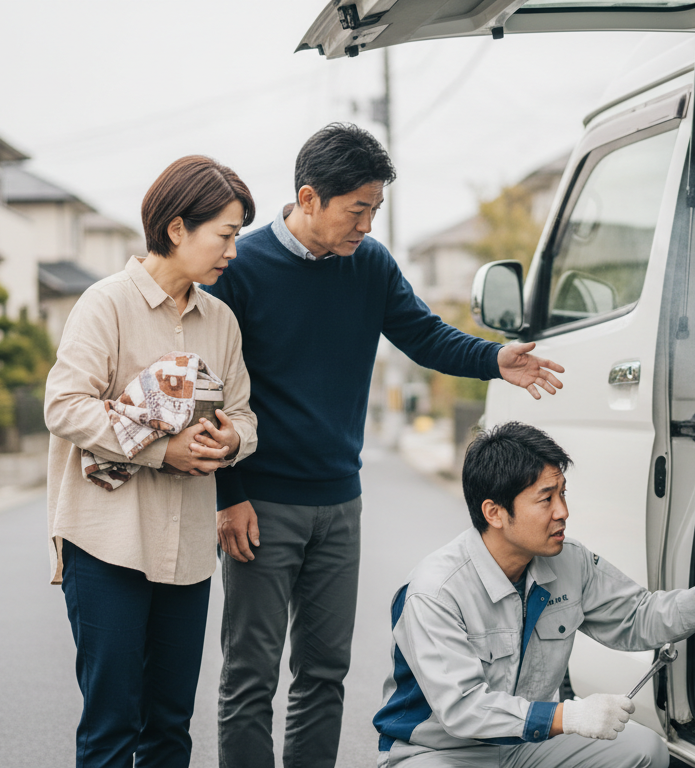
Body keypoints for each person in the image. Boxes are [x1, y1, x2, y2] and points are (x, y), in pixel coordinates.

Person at [203, 123, 567, 768]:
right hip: (260, 502)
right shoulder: (241, 269)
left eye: (375, 210)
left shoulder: (368, 264)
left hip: (340, 499)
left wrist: (494, 359)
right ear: (309, 198)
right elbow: (208, 392)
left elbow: (424, 334)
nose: (367, 226)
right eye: (357, 210)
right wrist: (228, 496)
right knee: (250, 676)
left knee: (324, 671)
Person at [373, 422, 695, 768]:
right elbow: (463, 708)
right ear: (494, 512)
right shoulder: (435, 591)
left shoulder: (568, 562)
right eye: (545, 499)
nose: (563, 511)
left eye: (563, 493)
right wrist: (567, 717)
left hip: (525, 744)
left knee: (645, 750)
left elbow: (636, 616)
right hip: (438, 753)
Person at [44, 155, 258, 768]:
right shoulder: (104, 304)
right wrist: (162, 449)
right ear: (176, 229)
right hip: (105, 545)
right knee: (112, 727)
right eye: (224, 235)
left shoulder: (221, 320)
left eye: (237, 236)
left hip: (188, 552)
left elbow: (244, 417)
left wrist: (230, 442)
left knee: (169, 729)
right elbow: (64, 406)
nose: (233, 252)